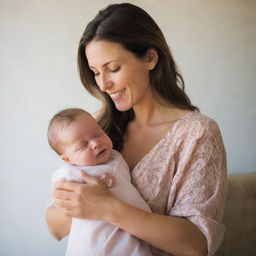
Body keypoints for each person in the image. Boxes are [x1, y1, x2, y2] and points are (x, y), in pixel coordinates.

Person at [45, 3, 227, 256]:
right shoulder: (98, 129)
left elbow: (195, 245)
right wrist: (80, 202)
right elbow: (54, 226)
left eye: (113, 68)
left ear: (150, 58)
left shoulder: (197, 133)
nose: (104, 84)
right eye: (96, 72)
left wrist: (107, 207)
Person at [47, 108, 152, 256]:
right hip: (93, 243)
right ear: (68, 160)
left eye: (97, 134)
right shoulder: (71, 173)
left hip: (131, 234)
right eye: (83, 145)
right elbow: (61, 205)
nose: (95, 143)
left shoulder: (115, 156)